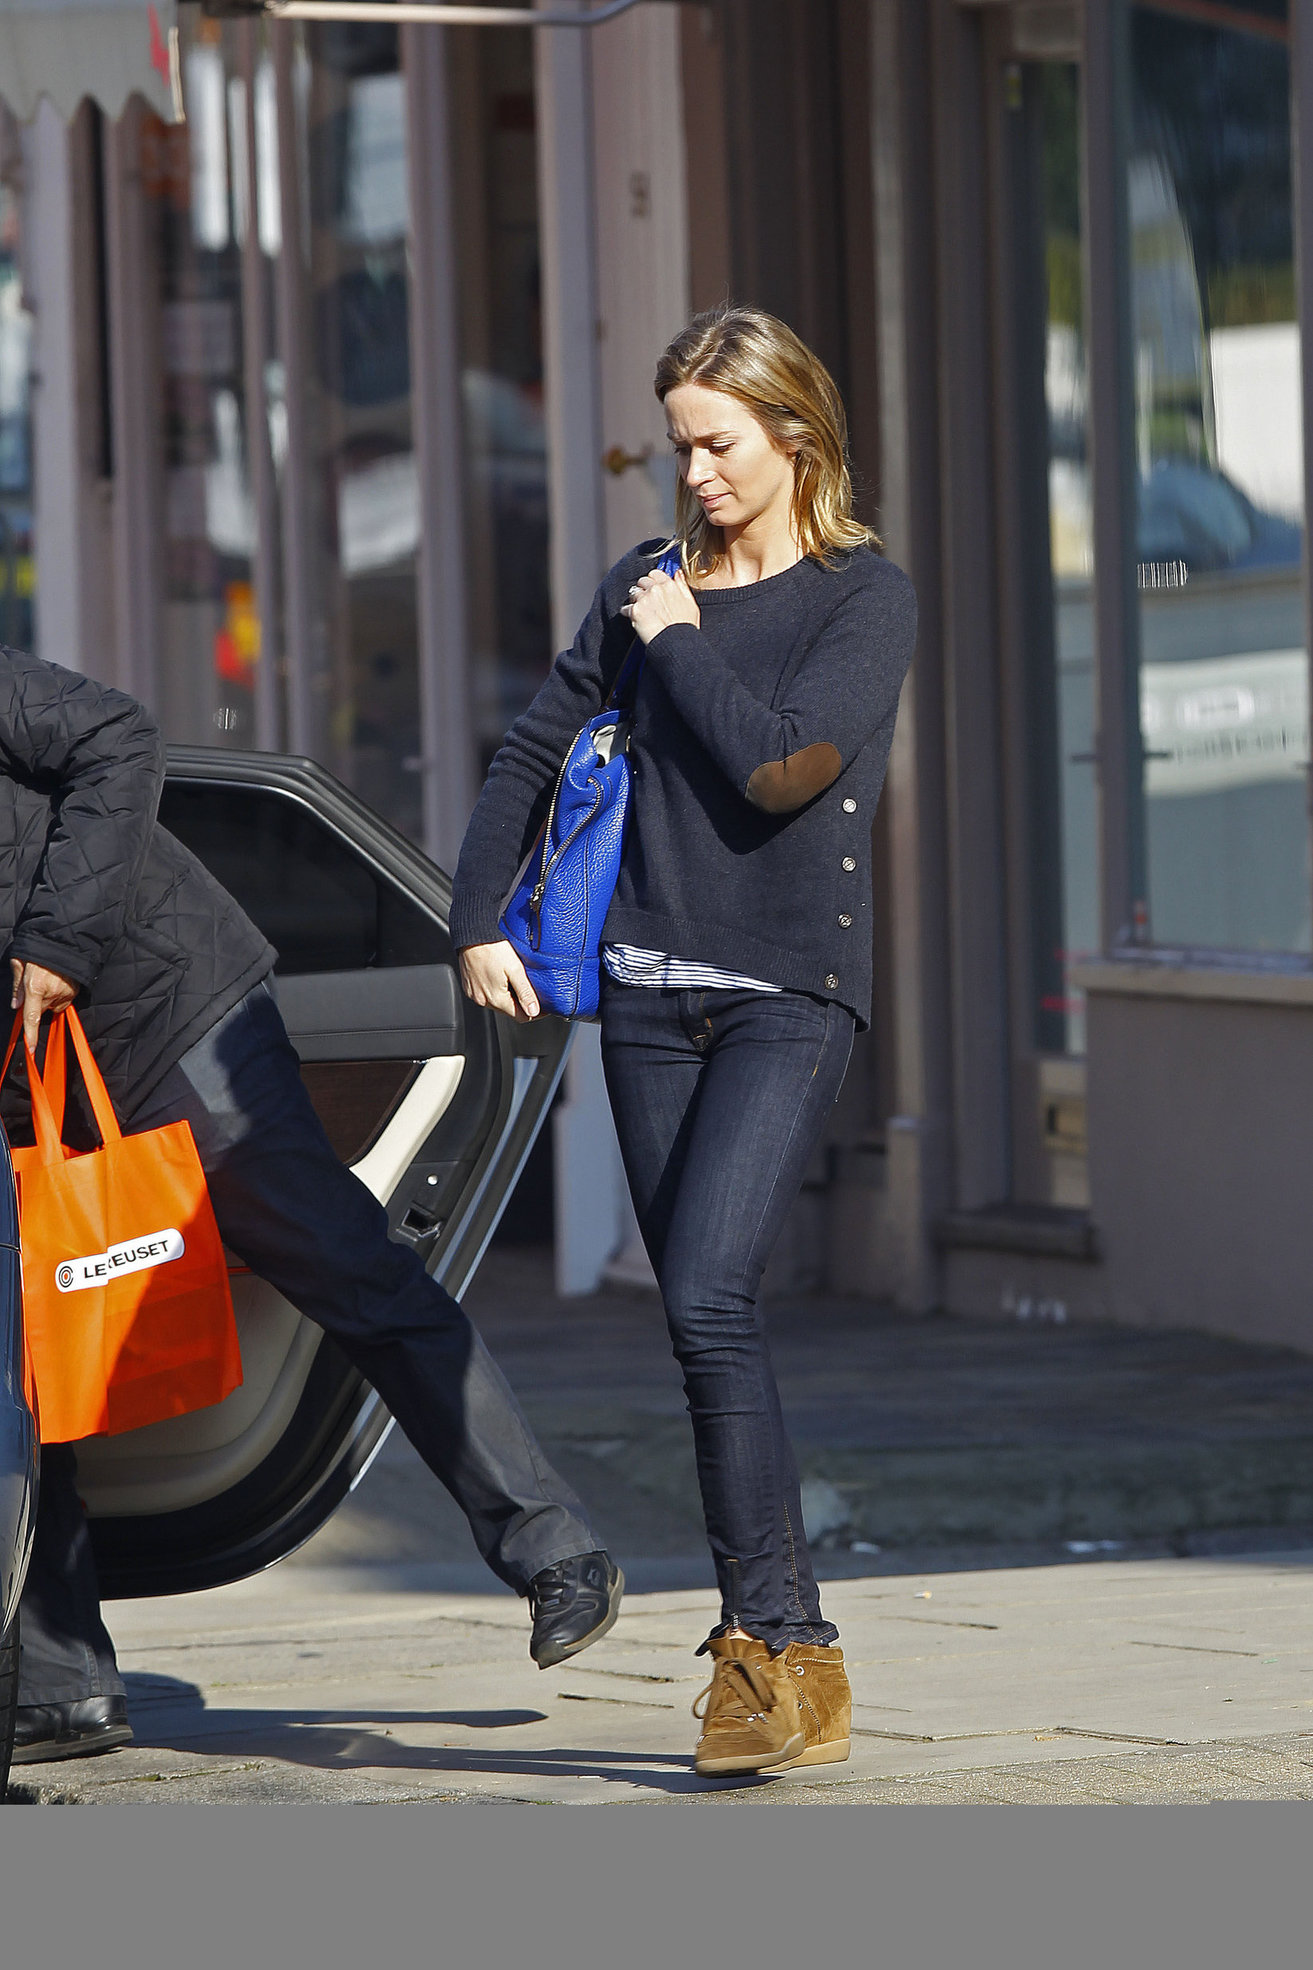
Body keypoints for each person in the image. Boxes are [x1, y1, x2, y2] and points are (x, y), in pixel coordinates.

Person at [2, 651, 622, 1765]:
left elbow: (117, 737)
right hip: (26, 1086)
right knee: (28, 1368)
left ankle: (553, 1545)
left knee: (345, 1260)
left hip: (166, 1009)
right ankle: (61, 1683)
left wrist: (54, 940)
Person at [453, 306, 917, 1776]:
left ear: (795, 432)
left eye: (718, 444)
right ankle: (795, 1657)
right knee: (702, 1317)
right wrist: (476, 917)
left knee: (712, 1287)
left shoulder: (864, 597)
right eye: (680, 448)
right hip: (647, 994)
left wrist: (678, 639)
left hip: (786, 991)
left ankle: (758, 1649)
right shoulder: (645, 580)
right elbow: (535, 743)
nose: (696, 474)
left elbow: (783, 769)